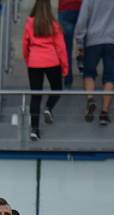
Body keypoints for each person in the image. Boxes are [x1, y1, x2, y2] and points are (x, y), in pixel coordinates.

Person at [75, 0, 114, 126]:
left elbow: (82, 20)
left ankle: (90, 99)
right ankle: (104, 113)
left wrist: (80, 41)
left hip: (93, 40)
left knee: (89, 73)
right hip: (113, 40)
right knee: (110, 77)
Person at [22, 0, 68, 141]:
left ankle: (34, 130)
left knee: (36, 96)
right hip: (52, 60)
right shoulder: (54, 24)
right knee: (57, 89)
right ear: (49, 8)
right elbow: (61, 48)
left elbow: (25, 44)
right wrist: (65, 67)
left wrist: (28, 59)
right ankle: (48, 107)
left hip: (34, 62)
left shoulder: (29, 22)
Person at [58, 0, 82, 87]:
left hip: (65, 8)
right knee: (84, 40)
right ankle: (86, 71)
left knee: (66, 48)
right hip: (82, 7)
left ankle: (68, 79)